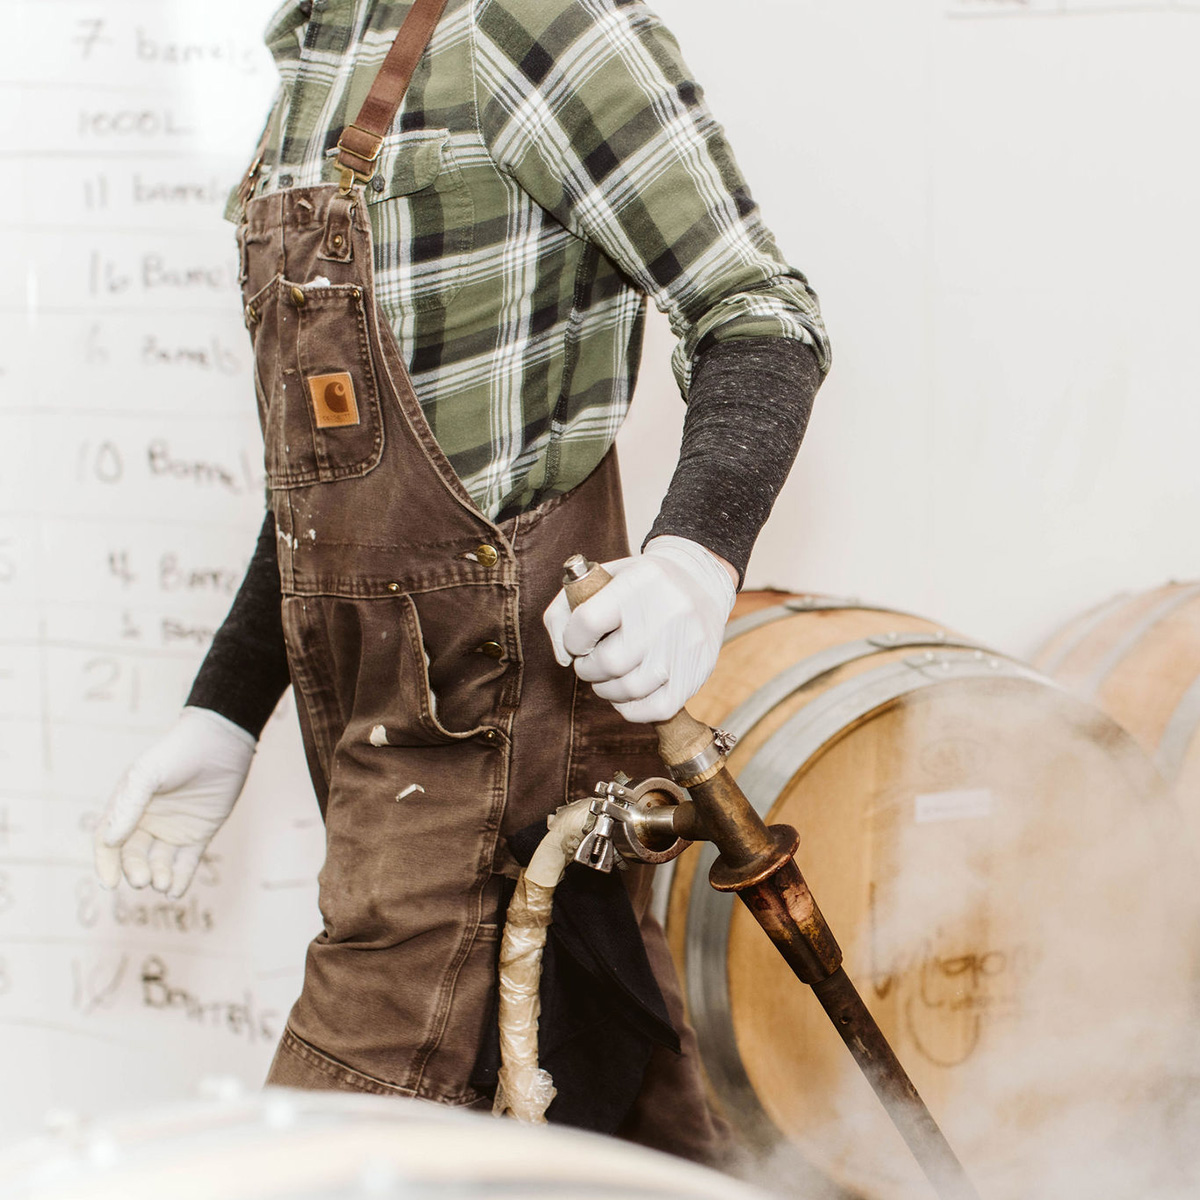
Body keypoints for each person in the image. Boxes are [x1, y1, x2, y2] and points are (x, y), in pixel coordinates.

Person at [94, 0, 829, 1167]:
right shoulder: (322, 49)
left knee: (330, 1145)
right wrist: (226, 706)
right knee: (609, 1100)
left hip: (492, 716)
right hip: (374, 742)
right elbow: (332, 476)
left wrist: (694, 560)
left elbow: (757, 313)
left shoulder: (538, 24)